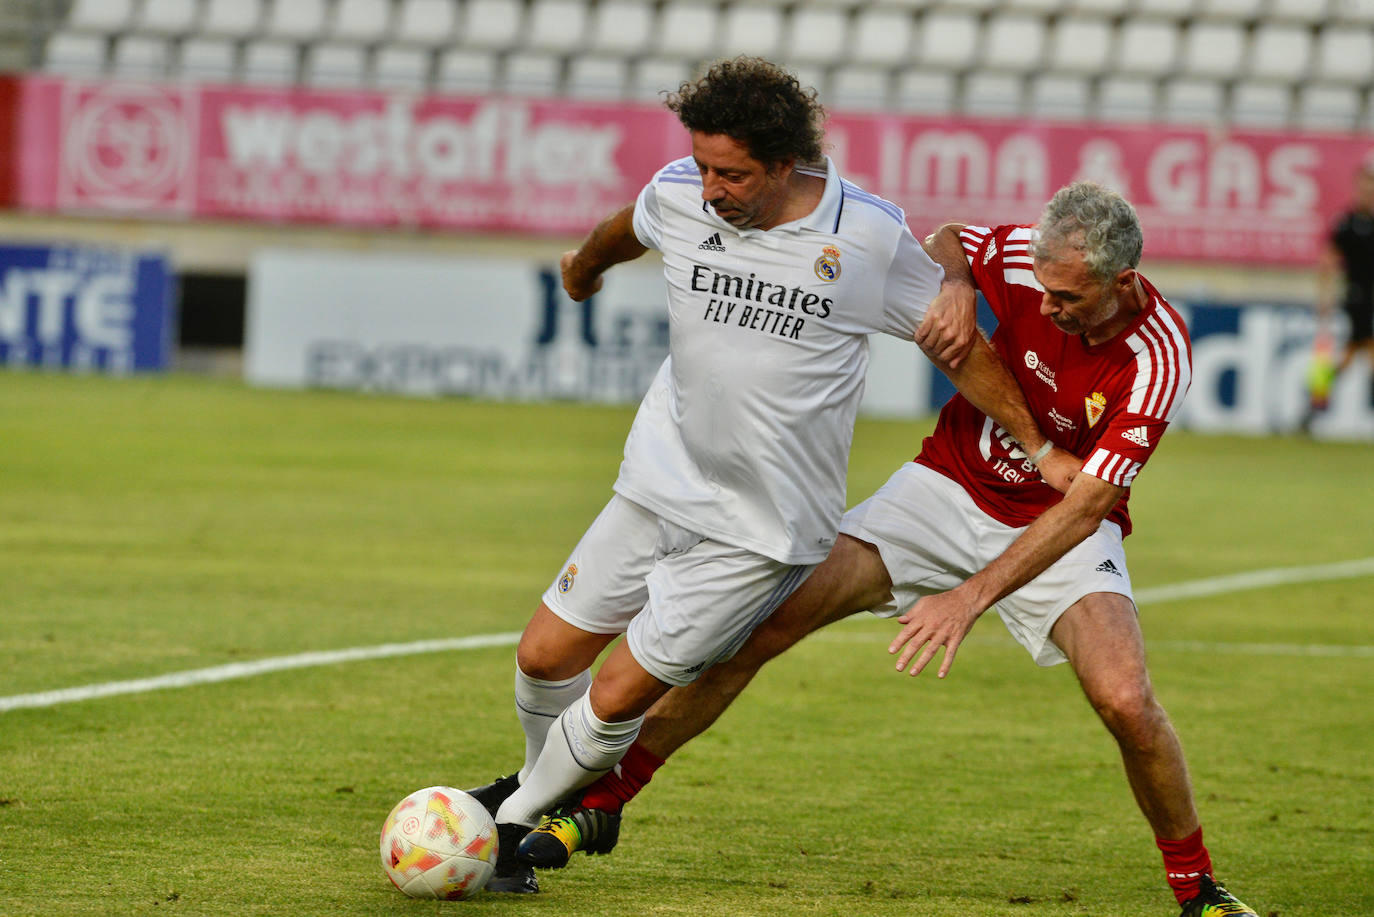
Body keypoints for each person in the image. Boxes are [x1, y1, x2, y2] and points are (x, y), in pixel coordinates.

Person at [521, 182, 1261, 917]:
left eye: (1068, 297)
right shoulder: (1023, 257)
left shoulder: (1158, 355)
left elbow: (1088, 505)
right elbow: (948, 239)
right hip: (942, 488)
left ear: (1123, 282)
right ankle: (604, 801)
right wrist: (958, 285)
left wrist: (969, 598)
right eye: (1043, 290)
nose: (1048, 308)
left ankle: (1198, 889)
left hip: (1060, 525)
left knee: (1125, 699)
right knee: (757, 625)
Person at [466, 56, 1074, 894]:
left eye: (734, 174)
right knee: (543, 656)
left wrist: (1040, 447)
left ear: (786, 164)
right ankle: (546, 786)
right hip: (659, 479)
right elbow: (628, 225)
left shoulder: (865, 236)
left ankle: (507, 827)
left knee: (615, 693)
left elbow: (958, 349)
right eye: (704, 166)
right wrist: (583, 268)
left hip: (763, 529)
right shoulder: (681, 192)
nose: (711, 189)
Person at [1303, 161, 1374, 430]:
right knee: (1364, 352)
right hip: (1357, 300)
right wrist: (1324, 299)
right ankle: (1314, 400)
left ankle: (1314, 401)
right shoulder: (1347, 223)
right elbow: (1328, 261)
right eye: (1365, 186)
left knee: (1347, 359)